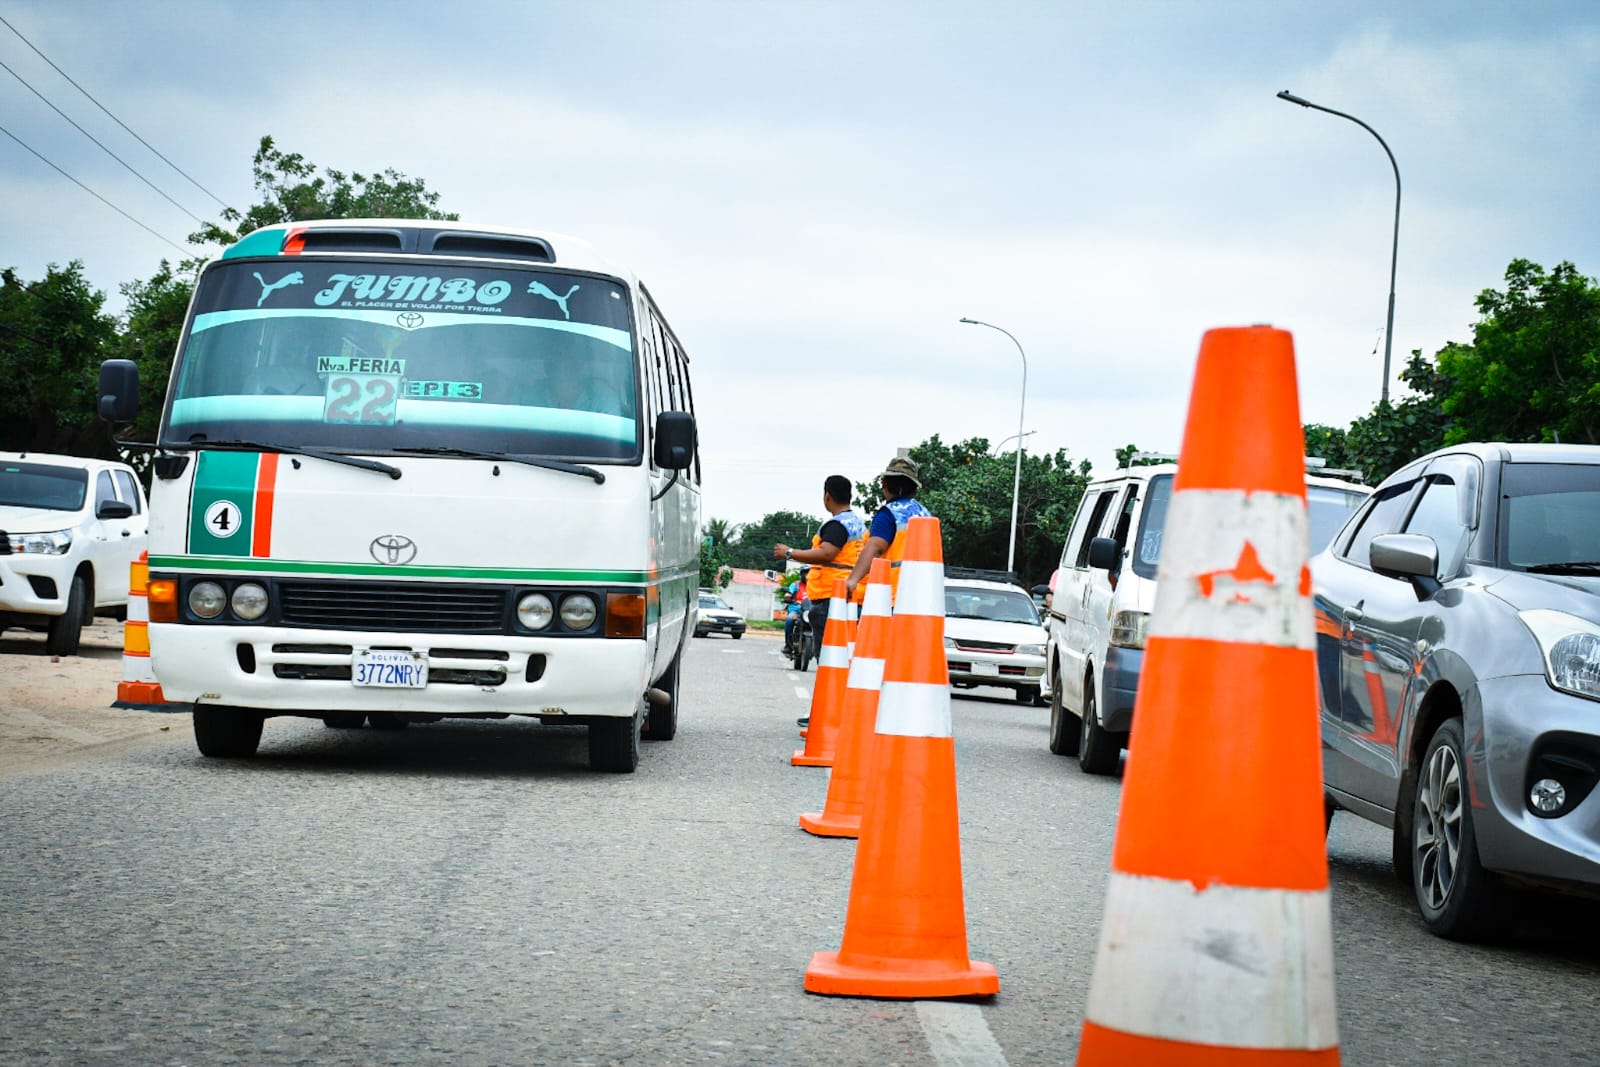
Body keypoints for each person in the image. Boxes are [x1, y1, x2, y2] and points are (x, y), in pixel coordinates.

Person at [774, 475, 867, 724]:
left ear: (827, 496)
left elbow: (827, 553)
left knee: (828, 658)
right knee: (842, 658)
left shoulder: (837, 525)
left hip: (830, 598)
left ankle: (826, 712)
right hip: (851, 598)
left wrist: (790, 553)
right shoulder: (859, 524)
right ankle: (838, 711)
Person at [844, 455, 933, 601]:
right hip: (923, 598)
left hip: (893, 596)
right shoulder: (926, 514)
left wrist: (853, 580)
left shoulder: (890, 513)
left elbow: (876, 547)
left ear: (884, 484)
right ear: (914, 487)